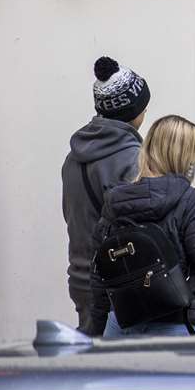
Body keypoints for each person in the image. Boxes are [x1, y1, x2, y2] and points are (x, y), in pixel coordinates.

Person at [88, 114, 195, 337]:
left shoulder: (116, 202)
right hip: (182, 325)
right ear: (183, 159)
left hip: (124, 325)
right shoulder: (188, 199)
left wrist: (97, 331)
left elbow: (100, 272)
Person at [63, 57, 148, 334]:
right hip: (117, 283)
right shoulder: (131, 159)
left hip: (81, 277)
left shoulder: (73, 159)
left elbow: (71, 215)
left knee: (94, 366)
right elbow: (141, 224)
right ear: (133, 111)